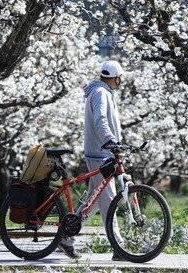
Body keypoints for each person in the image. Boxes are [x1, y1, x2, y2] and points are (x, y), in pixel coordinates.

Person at [58, 60, 125, 261]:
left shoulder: (101, 92)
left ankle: (66, 237)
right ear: (115, 77)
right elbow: (101, 120)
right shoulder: (100, 94)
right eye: (119, 78)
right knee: (109, 199)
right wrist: (110, 141)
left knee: (94, 201)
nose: (120, 81)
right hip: (100, 153)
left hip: (102, 153)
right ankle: (118, 246)